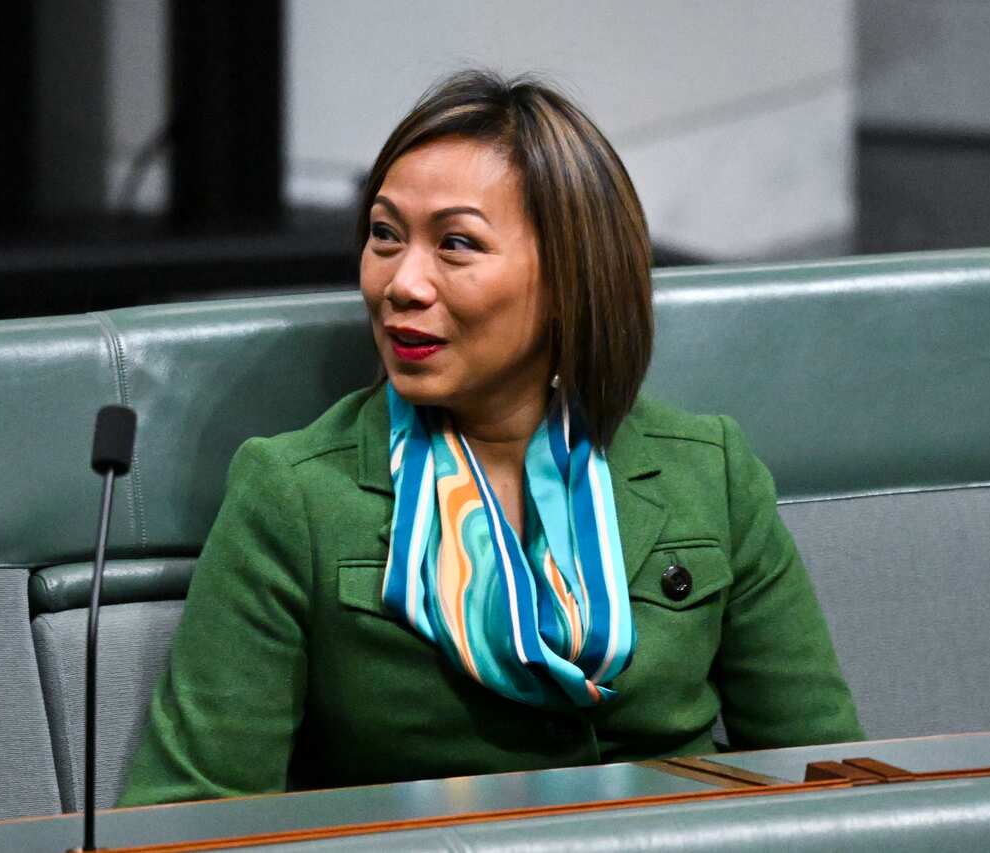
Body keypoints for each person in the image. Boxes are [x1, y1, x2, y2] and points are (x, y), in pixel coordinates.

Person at [119, 70, 861, 806]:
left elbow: (832, 780)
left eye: (455, 244)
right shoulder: (294, 494)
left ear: (573, 278)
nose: (401, 282)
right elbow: (183, 815)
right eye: (384, 235)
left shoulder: (710, 470)